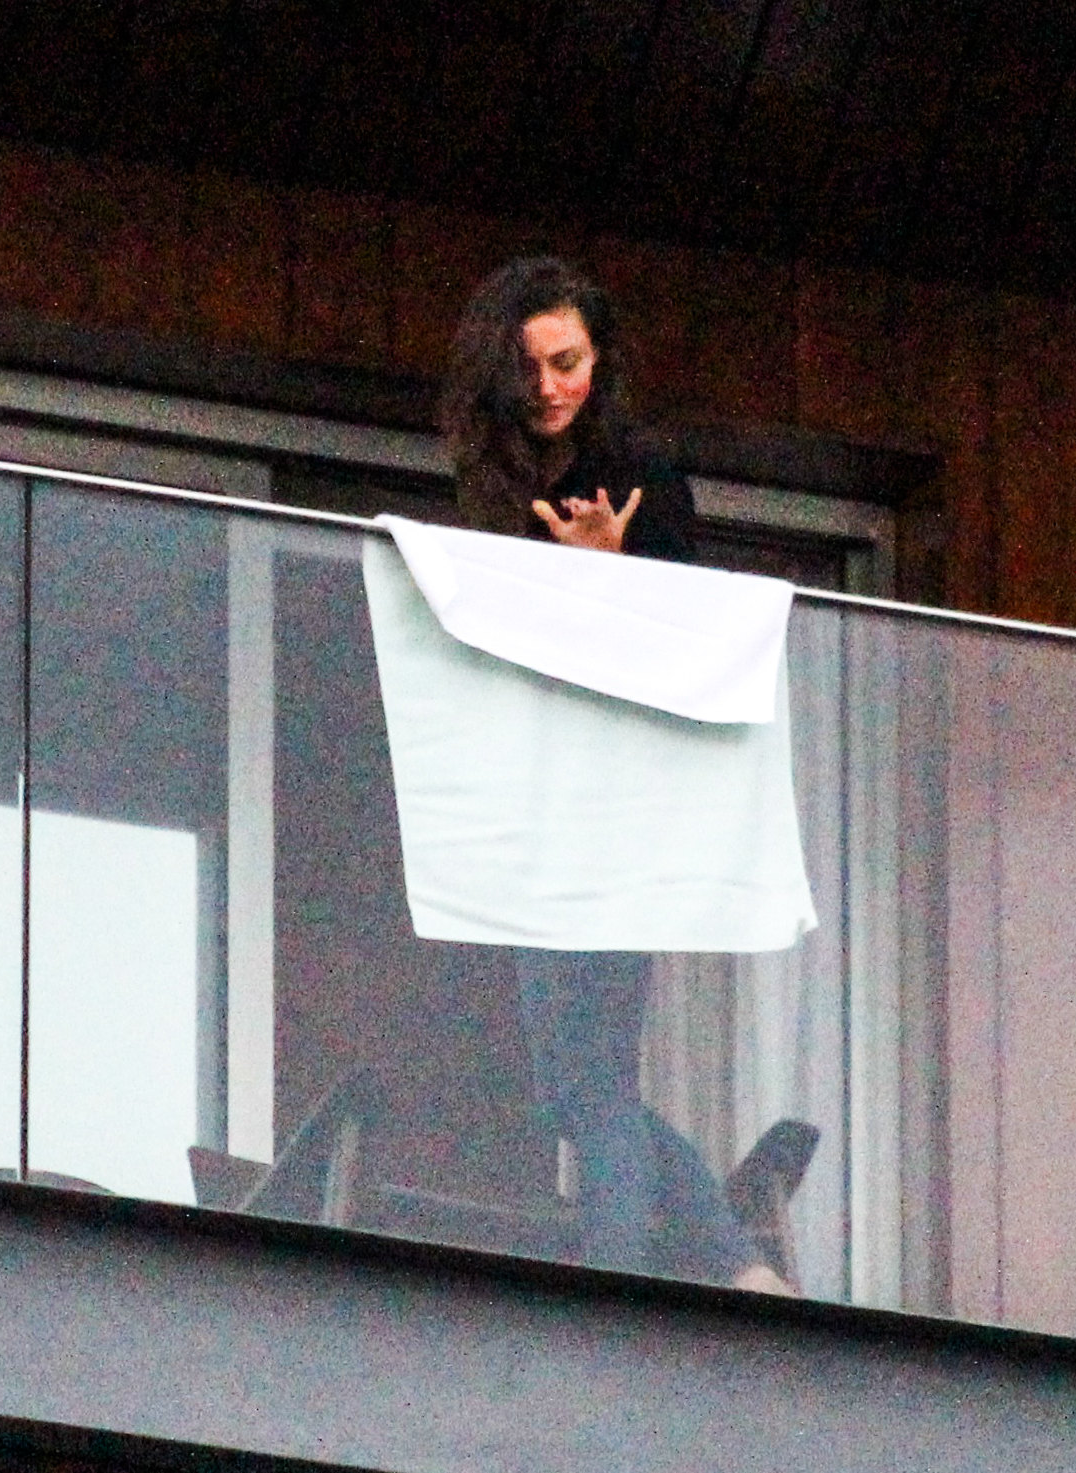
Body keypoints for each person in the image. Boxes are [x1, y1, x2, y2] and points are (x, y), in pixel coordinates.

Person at [438, 256, 793, 1294]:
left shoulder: (638, 469)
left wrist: (612, 575)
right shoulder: (496, 476)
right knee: (578, 1087)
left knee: (582, 1086)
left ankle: (628, 1286)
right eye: (528, 367)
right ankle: (735, 1263)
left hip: (620, 811)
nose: (548, 387)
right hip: (546, 808)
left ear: (598, 362)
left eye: (567, 363)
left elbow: (691, 641)